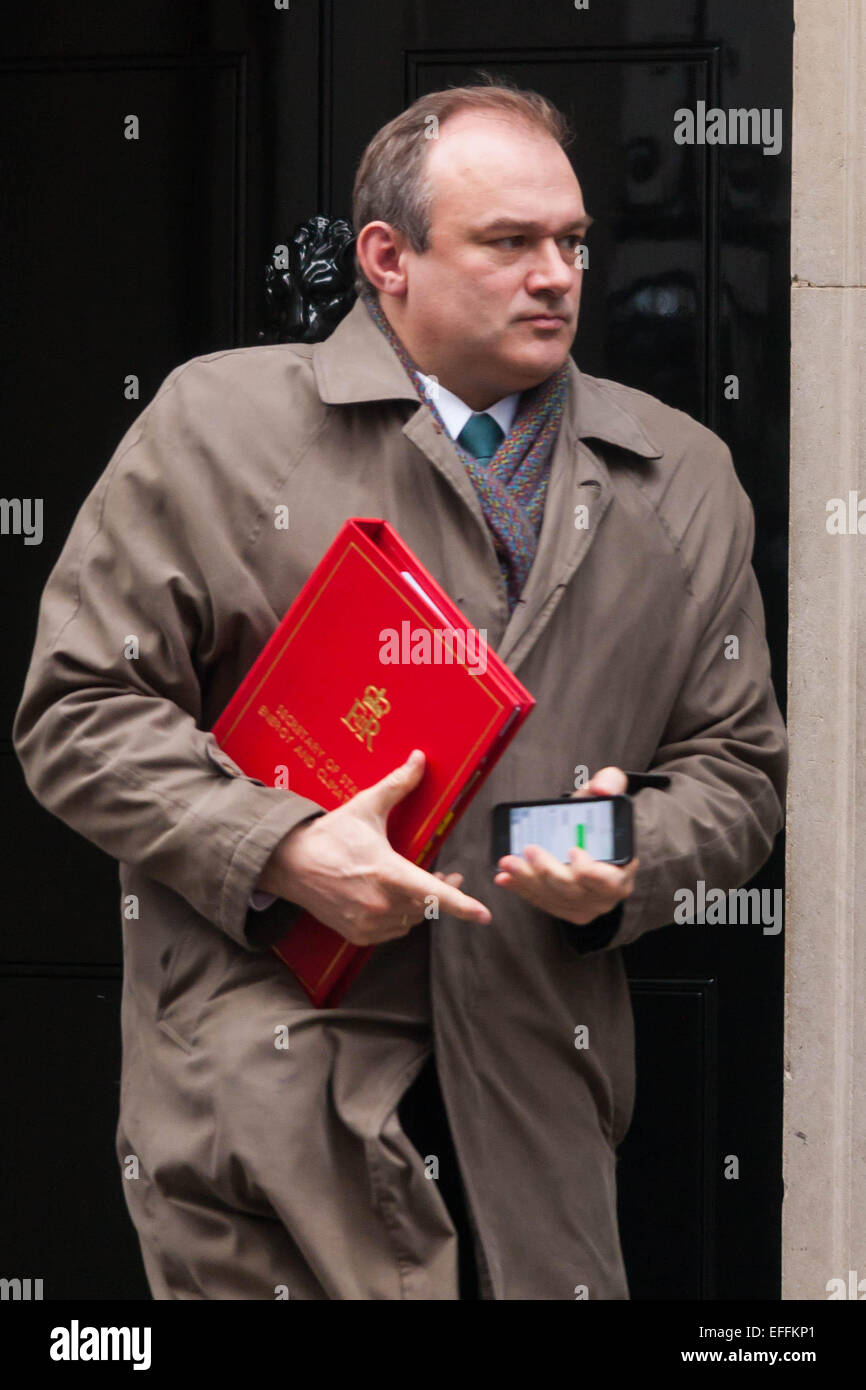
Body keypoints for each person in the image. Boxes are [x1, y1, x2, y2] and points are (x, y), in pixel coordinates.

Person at [12, 79, 787, 1300]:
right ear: (387, 258)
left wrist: (617, 852)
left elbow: (736, 772)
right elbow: (78, 715)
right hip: (267, 1117)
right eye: (508, 242)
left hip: (537, 1123)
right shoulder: (215, 426)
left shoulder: (680, 474)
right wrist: (282, 847)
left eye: (573, 242)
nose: (556, 275)